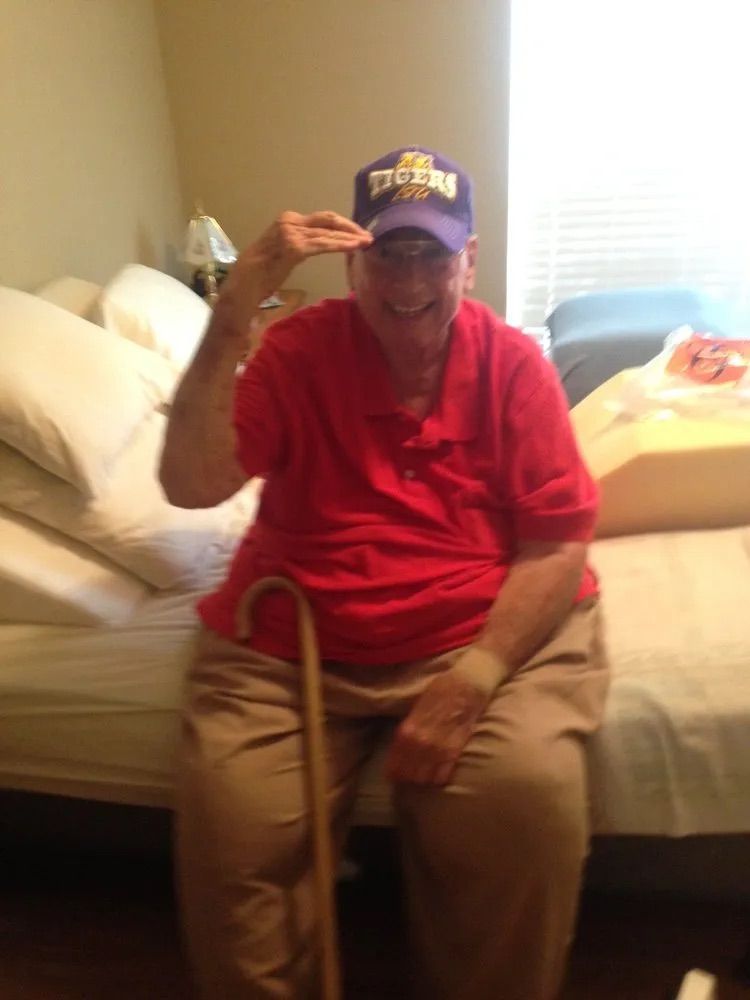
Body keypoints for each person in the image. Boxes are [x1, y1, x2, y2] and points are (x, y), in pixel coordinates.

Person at [160, 146, 609, 1000]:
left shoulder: (514, 364)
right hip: (292, 639)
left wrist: (473, 680)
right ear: (354, 262)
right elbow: (189, 486)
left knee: (523, 804)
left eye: (432, 253)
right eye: (389, 252)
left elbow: (557, 541)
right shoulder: (294, 351)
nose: (410, 278)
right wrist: (232, 314)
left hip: (475, 634)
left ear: (469, 262)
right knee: (233, 837)